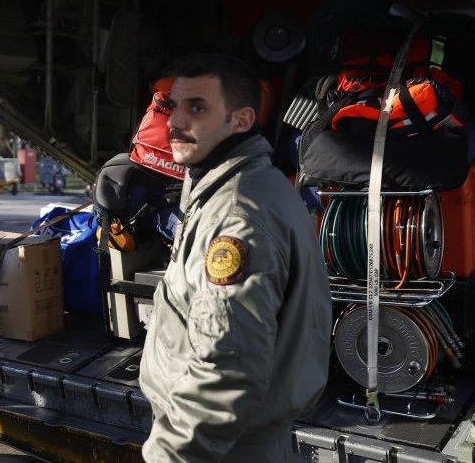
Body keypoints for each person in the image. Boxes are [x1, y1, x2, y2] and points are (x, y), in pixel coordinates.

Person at [138, 55, 331, 462]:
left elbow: (226, 373)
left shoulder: (236, 217)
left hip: (221, 449)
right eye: (173, 106)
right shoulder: (252, 185)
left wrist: (167, 455)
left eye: (197, 107)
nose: (174, 122)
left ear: (241, 120)